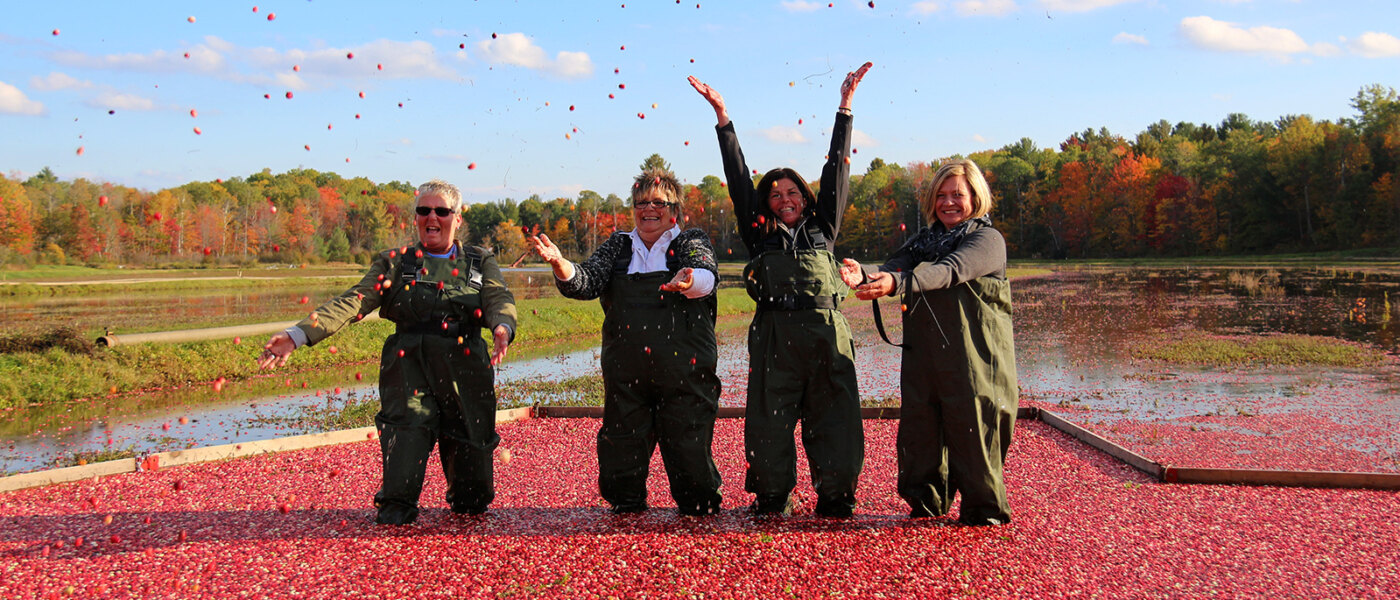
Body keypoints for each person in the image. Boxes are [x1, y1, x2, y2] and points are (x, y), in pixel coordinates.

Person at [257, 179, 517, 525]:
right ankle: (398, 517)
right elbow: (354, 301)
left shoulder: (479, 261)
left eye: (441, 211)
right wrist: (298, 334)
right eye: (424, 210)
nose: (432, 218)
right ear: (416, 217)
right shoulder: (395, 263)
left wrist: (503, 326)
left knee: (473, 484)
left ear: (458, 217)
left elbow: (499, 297)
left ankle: (467, 513)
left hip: (465, 365)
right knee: (404, 448)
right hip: (409, 364)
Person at [688, 62, 871, 518]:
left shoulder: (823, 226)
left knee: (836, 419)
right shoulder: (759, 235)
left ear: (805, 198)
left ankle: (836, 495)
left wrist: (845, 107)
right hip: (774, 337)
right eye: (775, 194)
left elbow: (837, 171)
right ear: (766, 202)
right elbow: (736, 177)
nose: (785, 199)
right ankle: (772, 495)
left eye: (793, 192)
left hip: (826, 334)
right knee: (768, 419)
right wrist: (722, 117)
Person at [529, 167, 724, 516]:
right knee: (621, 466)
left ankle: (700, 514)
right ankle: (627, 515)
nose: (649, 208)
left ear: (674, 211)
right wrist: (561, 265)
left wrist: (690, 279)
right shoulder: (619, 246)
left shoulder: (689, 242)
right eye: (641, 202)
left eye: (658, 202)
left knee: (690, 458)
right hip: (627, 376)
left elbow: (707, 275)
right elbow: (587, 282)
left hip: (685, 374)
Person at [839, 159, 1018, 526]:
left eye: (958, 195)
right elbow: (896, 266)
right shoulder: (924, 240)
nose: (948, 202)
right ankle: (926, 509)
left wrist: (897, 283)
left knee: (975, 441)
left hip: (976, 361)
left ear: (975, 197)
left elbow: (950, 270)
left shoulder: (987, 240)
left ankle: (984, 519)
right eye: (941, 195)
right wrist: (868, 277)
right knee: (921, 437)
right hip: (925, 361)